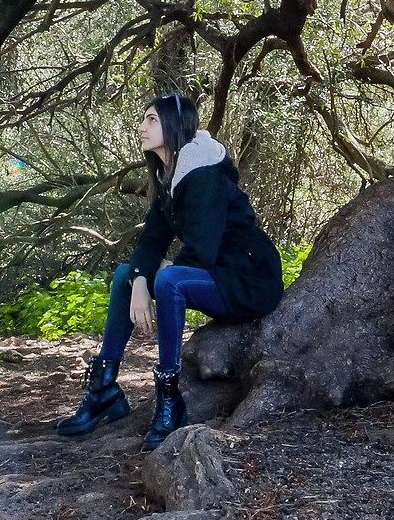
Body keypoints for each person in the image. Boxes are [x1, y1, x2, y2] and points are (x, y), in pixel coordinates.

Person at [55, 90, 285, 449]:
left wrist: (155, 276)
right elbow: (150, 240)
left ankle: (168, 397)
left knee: (170, 277)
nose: (142, 127)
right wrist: (140, 281)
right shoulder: (168, 176)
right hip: (214, 275)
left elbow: (203, 252)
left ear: (174, 125)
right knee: (124, 275)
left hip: (248, 279)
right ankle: (104, 386)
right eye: (143, 119)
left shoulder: (203, 173)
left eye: (152, 120)